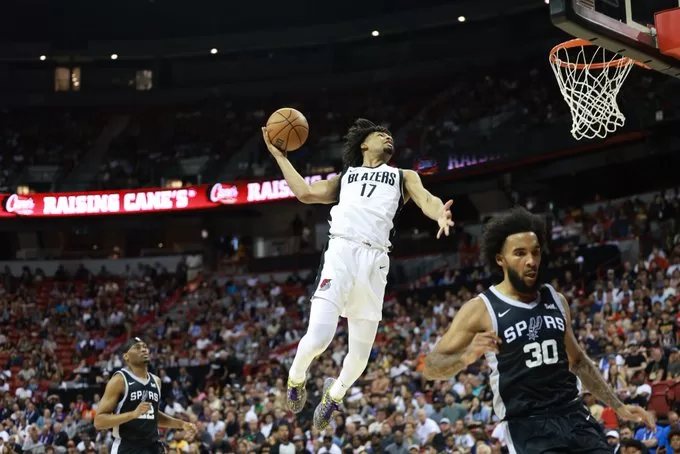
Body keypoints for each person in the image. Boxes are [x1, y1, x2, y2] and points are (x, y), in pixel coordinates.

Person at [261, 118, 454, 430]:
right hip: (340, 254)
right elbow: (306, 193)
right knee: (319, 339)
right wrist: (280, 157)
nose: (388, 138)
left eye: (391, 135)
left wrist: (439, 214)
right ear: (364, 144)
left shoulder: (403, 176)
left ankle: (334, 396)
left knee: (360, 357)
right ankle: (296, 378)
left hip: (375, 261)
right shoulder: (346, 177)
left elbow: (427, 200)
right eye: (381, 135)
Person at [422, 207, 653, 453]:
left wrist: (618, 406)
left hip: (574, 415)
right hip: (528, 426)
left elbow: (579, 362)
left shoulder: (556, 299)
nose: (531, 261)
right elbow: (431, 366)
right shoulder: (481, 309)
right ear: (500, 259)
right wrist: (466, 357)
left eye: (535, 252)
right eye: (520, 254)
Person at [94, 337, 196, 454]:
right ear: (126, 356)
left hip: (152, 446)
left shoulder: (156, 381)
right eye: (137, 348)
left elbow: (153, 416)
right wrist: (132, 414)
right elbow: (99, 421)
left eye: (145, 347)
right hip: (128, 446)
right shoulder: (119, 380)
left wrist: (181, 424)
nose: (143, 350)